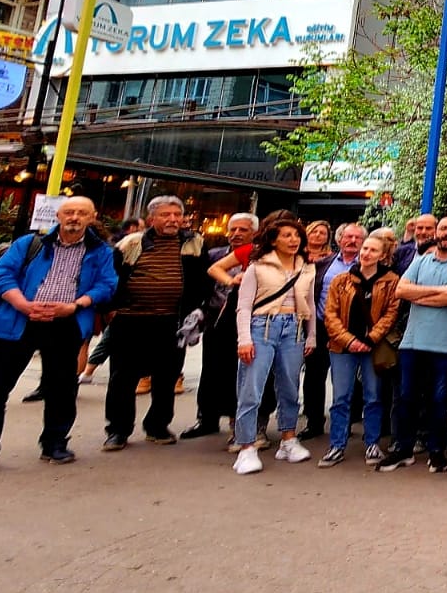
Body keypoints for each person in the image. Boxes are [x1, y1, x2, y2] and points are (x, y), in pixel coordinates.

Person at [0, 198, 118, 474]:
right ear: (58, 215)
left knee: (62, 389)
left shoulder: (101, 251)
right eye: (69, 212)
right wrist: (23, 304)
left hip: (65, 324)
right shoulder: (29, 244)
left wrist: (75, 305)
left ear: (92, 217)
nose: (74, 217)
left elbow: (107, 285)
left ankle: (55, 442)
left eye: (82, 213)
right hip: (18, 321)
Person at [102, 196, 211, 451]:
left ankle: (158, 426)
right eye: (166, 215)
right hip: (130, 321)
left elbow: (203, 281)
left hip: (173, 323)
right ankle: (118, 430)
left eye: (177, 214)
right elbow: (110, 278)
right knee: (122, 378)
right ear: (152, 219)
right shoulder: (132, 243)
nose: (173, 219)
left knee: (167, 376)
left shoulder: (195, 243)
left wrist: (197, 311)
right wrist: (110, 311)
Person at [375, 217, 447, 474]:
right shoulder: (420, 261)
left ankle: (436, 451)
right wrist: (441, 292)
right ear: (437, 232)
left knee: (439, 400)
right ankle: (403, 449)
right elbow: (401, 291)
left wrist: (421, 294)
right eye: (444, 228)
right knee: (406, 397)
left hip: (446, 345)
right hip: (412, 342)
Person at [230, 217, 317, 474]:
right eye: (287, 235)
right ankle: (246, 446)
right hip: (261, 326)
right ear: (272, 239)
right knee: (251, 388)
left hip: (295, 327)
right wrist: (244, 339)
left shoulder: (307, 267)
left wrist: (311, 336)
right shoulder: (257, 267)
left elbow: (310, 304)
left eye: (296, 235)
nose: (293, 240)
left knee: (290, 386)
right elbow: (243, 306)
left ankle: (288, 438)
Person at [320, 235, 399, 468]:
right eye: (365, 248)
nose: (366, 253)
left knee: (373, 397)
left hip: (372, 346)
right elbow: (330, 314)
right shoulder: (341, 280)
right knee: (341, 397)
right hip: (342, 347)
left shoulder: (391, 281)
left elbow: (391, 313)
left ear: (382, 255)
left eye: (373, 250)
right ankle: (337, 444)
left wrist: (371, 337)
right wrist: (348, 340)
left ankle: (372, 443)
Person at [181, 212, 258, 442]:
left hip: (247, 323)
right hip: (216, 320)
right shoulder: (214, 255)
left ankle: (238, 422)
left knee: (239, 373)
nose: (236, 234)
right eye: (232, 230)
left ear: (254, 233)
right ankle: (207, 418)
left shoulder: (259, 256)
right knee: (211, 370)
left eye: (242, 230)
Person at [301, 221, 365, 443]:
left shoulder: (367, 265)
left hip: (350, 329)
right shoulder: (324, 264)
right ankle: (314, 422)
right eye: (348, 237)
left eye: (357, 238)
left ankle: (344, 424)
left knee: (347, 381)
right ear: (339, 240)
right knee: (314, 377)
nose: (352, 241)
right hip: (320, 326)